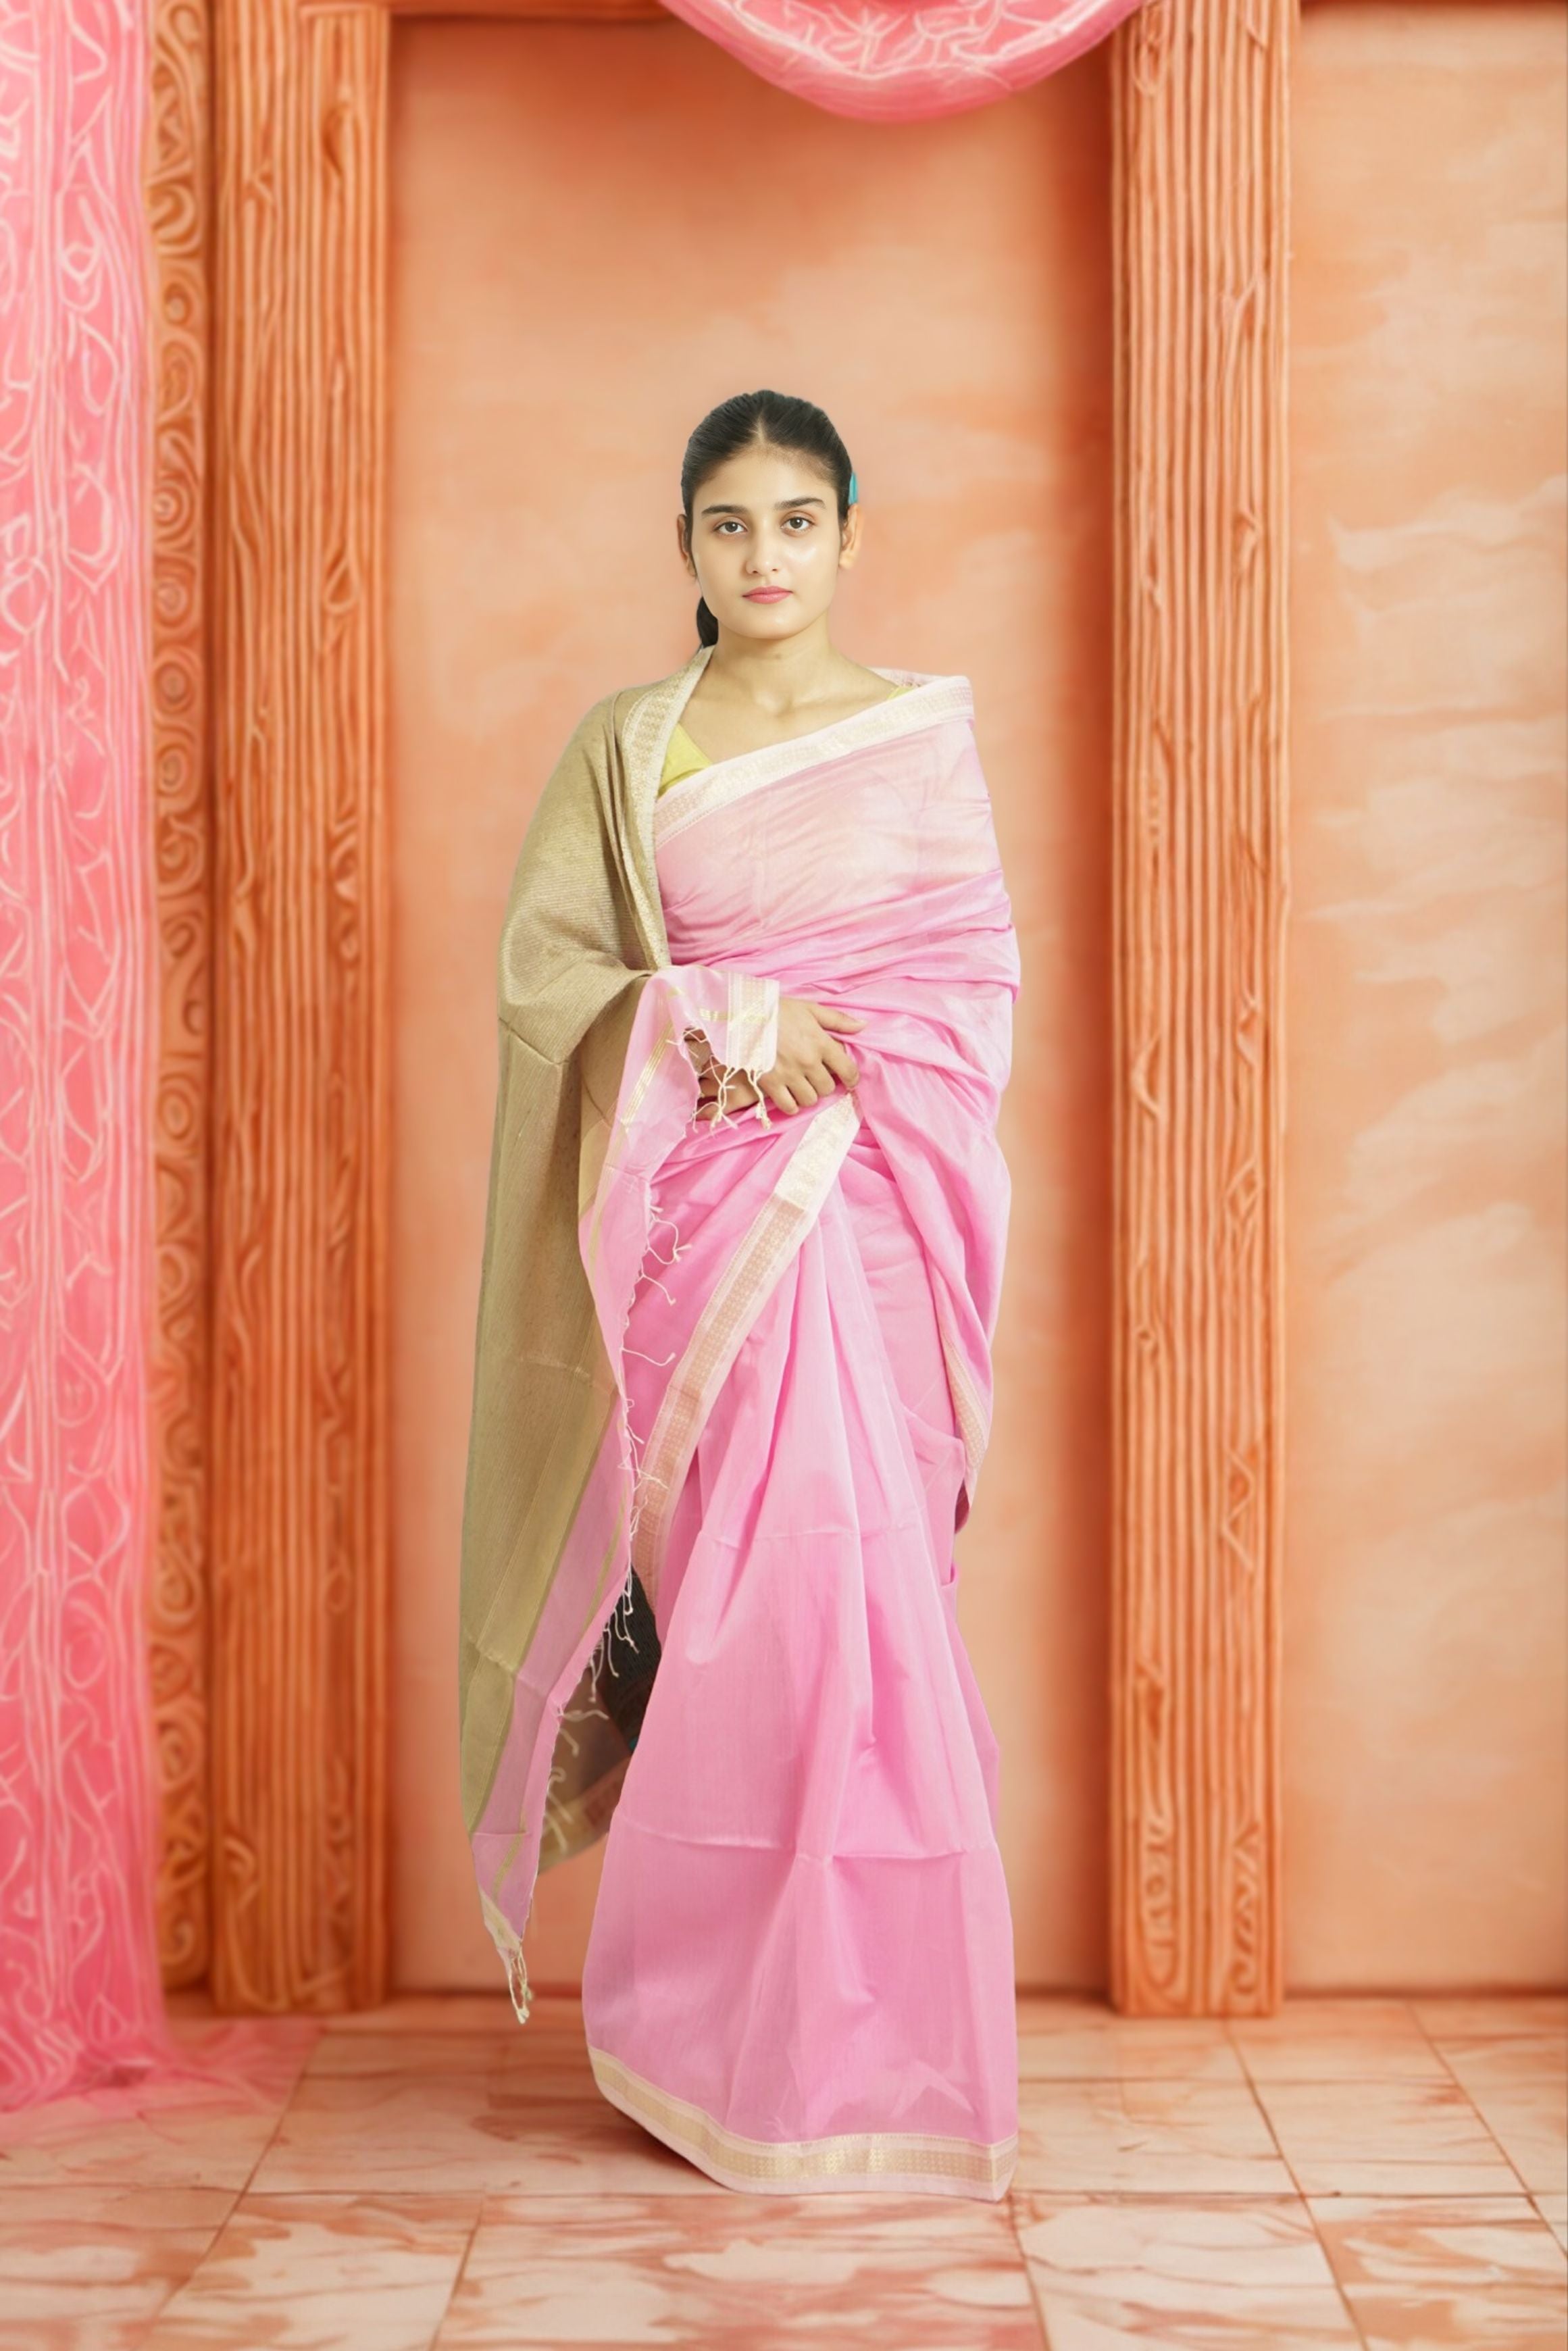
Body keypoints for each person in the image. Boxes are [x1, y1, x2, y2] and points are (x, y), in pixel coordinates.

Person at [457, 388, 1021, 2199]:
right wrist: (720, 1016)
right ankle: (710, 2044)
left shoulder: (920, 737)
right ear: (686, 545)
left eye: (796, 520)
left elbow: (965, 999)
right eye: (729, 523)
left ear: (849, 535)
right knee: (737, 1632)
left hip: (871, 1225)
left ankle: (878, 2047)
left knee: (866, 1622)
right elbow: (548, 977)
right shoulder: (630, 745)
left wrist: (839, 1085)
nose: (764, 554)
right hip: (693, 1230)